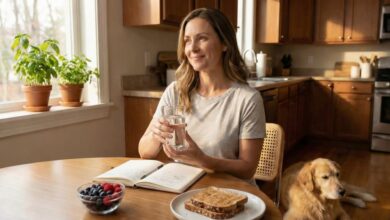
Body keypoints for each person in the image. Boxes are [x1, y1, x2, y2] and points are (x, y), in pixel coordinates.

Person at [138, 8, 265, 182]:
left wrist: (202, 159)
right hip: (182, 188)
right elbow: (144, 151)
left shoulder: (247, 99)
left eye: (202, 38)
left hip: (230, 191)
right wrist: (156, 136)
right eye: (187, 41)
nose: (192, 48)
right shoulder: (175, 92)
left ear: (224, 44)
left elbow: (247, 169)